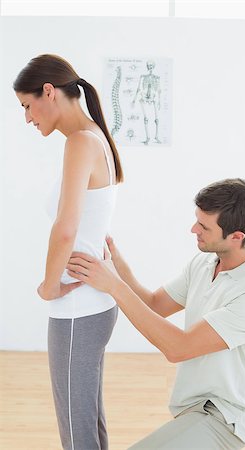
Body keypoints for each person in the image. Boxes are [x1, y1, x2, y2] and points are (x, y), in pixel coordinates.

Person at [67, 178, 245, 449]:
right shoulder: (205, 262)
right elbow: (154, 304)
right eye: (197, 220)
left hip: (226, 417)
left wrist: (113, 286)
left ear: (236, 236)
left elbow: (178, 348)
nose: (193, 229)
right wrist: (116, 263)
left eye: (204, 226)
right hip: (193, 407)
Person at [14, 54, 124, 450]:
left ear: (49, 91)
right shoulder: (95, 136)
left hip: (77, 308)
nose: (27, 118)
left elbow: (66, 229)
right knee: (88, 421)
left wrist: (48, 287)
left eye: (27, 106)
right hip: (93, 304)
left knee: (77, 432)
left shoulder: (80, 142)